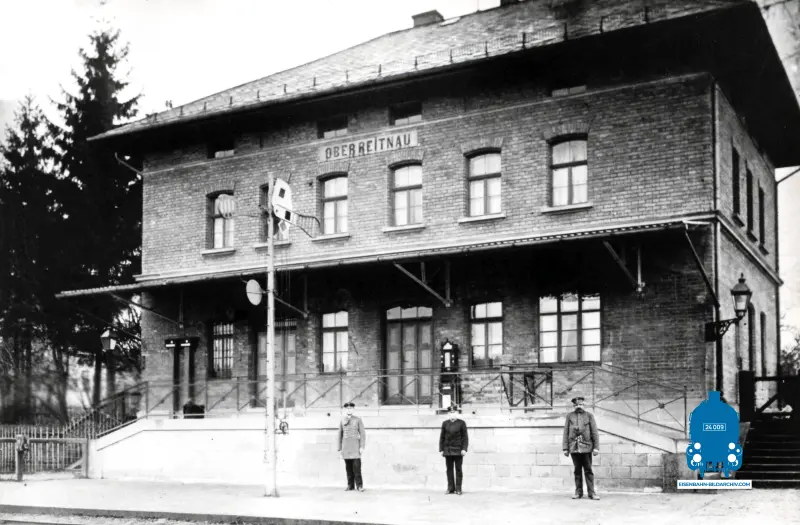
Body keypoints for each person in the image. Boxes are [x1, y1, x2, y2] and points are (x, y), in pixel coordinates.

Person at [562, 396, 600, 500]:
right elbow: (566, 432)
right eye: (576, 405)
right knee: (577, 470)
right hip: (574, 447)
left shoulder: (589, 416)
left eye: (580, 404)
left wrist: (596, 447)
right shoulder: (569, 416)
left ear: (584, 405)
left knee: (588, 470)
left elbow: (594, 432)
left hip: (586, 446)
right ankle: (578, 492)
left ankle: (591, 493)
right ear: (573, 406)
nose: (578, 406)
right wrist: (565, 448)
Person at [439, 405, 468, 495]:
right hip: (447, 450)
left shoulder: (462, 423)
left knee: (458, 469)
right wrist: (441, 449)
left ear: (457, 413)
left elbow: (465, 437)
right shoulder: (445, 423)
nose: (452, 414)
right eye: (450, 412)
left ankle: (458, 489)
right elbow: (442, 437)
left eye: (454, 412)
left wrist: (464, 449)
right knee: (449, 469)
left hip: (458, 450)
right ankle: (450, 488)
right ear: (448, 413)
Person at [338, 402, 366, 491]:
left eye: (351, 408)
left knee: (357, 467)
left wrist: (362, 447)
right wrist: (339, 448)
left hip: (355, 447)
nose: (349, 410)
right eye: (347, 408)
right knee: (348, 468)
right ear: (345, 410)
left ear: (353, 410)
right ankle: (350, 486)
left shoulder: (358, 420)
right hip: (346, 447)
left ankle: (359, 486)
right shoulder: (342, 420)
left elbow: (362, 434)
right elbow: (340, 435)